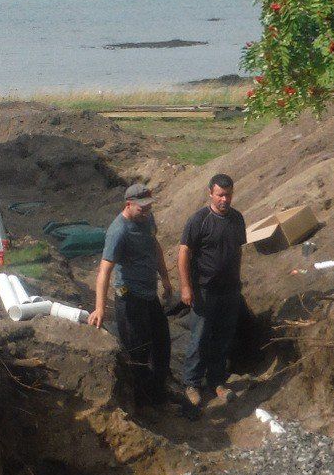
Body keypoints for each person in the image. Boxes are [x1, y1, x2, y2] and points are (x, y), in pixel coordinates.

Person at [89, 182, 176, 407]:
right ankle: (140, 402)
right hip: (130, 299)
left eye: (148, 207)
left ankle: (158, 393)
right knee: (138, 352)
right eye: (142, 208)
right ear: (129, 205)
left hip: (149, 295)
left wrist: (165, 278)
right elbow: (104, 270)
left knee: (162, 344)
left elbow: (154, 246)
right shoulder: (118, 231)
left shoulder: (146, 219)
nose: (146, 212)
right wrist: (100, 308)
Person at [178, 173, 247, 407]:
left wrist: (237, 280)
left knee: (223, 336)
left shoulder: (237, 219)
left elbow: (238, 250)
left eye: (228, 195)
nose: (224, 200)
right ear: (211, 194)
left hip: (229, 290)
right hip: (204, 290)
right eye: (220, 195)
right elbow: (184, 253)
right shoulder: (199, 220)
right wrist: (186, 287)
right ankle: (192, 383)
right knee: (200, 336)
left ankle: (216, 381)